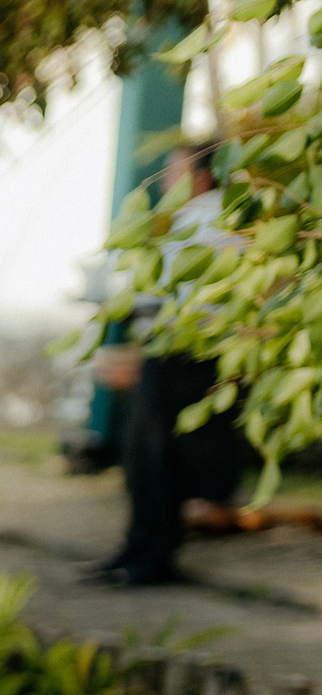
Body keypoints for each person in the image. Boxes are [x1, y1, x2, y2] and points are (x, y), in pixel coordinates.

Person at [88, 143, 250, 588]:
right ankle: (138, 548)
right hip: (178, 346)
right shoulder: (200, 215)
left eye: (172, 172)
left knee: (156, 459)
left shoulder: (206, 217)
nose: (164, 182)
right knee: (144, 455)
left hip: (187, 349)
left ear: (200, 176)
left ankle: (150, 556)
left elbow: (165, 292)